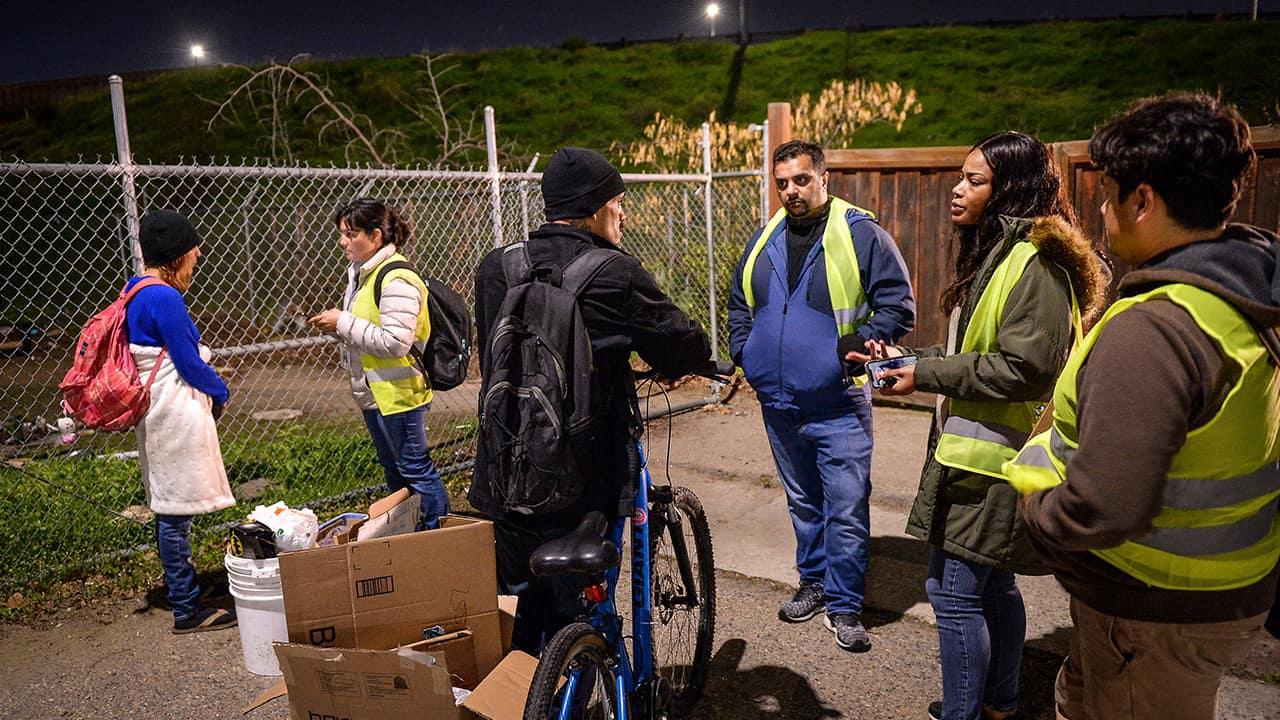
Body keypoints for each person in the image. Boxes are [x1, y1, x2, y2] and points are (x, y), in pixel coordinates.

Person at [1004, 93, 1280, 720]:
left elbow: (1101, 508)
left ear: (1144, 201)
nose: (1101, 213)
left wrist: (1035, 503)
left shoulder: (1156, 329)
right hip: (1223, 593)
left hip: (1154, 612)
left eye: (1108, 197)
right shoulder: (1243, 286)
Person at [851, 132, 1109, 720]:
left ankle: (969, 712)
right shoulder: (1002, 255)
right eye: (961, 176)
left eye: (975, 180)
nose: (957, 190)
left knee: (953, 594)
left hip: (995, 463)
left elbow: (1024, 367)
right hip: (980, 459)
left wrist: (927, 374)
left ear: (1009, 189)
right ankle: (1000, 703)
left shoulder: (1036, 263)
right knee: (993, 589)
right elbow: (977, 348)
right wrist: (910, 359)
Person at [470, 147, 711, 653]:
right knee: (581, 604)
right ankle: (591, 673)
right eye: (617, 202)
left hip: (502, 472)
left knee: (518, 612)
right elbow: (679, 340)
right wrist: (690, 359)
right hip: (584, 479)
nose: (622, 213)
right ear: (596, 208)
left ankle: (526, 694)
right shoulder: (615, 272)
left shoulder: (496, 267)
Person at [726, 139, 916, 652]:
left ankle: (845, 605)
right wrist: (745, 351)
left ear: (824, 179)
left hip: (839, 402)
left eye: (801, 180)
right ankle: (812, 584)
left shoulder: (860, 234)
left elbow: (898, 305)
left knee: (847, 508)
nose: (791, 190)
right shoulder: (763, 238)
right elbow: (739, 302)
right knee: (804, 503)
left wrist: (853, 345)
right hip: (779, 402)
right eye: (782, 182)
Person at [126, 209, 237, 634]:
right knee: (174, 513)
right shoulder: (165, 298)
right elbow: (189, 363)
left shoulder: (137, 289)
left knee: (171, 509)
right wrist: (221, 392)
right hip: (170, 413)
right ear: (175, 256)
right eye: (192, 252)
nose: (197, 257)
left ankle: (184, 588)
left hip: (156, 412)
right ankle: (187, 609)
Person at [308, 199, 450, 529]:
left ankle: (439, 536)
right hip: (376, 393)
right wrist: (337, 326)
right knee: (395, 471)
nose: (343, 241)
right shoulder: (363, 275)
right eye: (341, 233)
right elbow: (367, 332)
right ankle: (410, 532)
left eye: (350, 233)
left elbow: (396, 342)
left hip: (399, 394)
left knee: (415, 469)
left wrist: (342, 322)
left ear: (375, 236)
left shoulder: (395, 278)